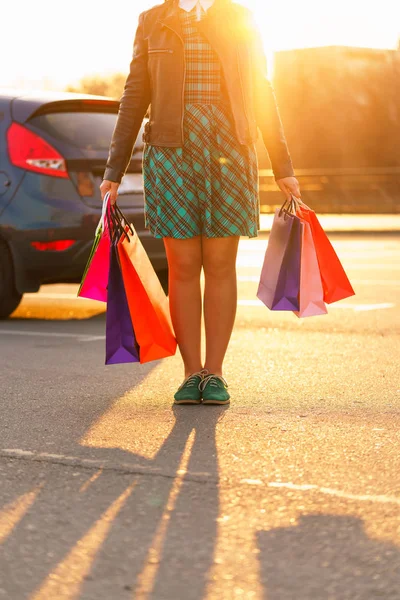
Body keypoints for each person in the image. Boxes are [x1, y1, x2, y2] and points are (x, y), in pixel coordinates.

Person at [100, 0, 301, 406]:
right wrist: (114, 169)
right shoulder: (153, 21)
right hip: (171, 152)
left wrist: (283, 164)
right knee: (184, 266)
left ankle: (216, 373)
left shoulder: (240, 17)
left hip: (231, 147)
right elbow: (135, 95)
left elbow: (262, 89)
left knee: (221, 265)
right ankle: (192, 373)